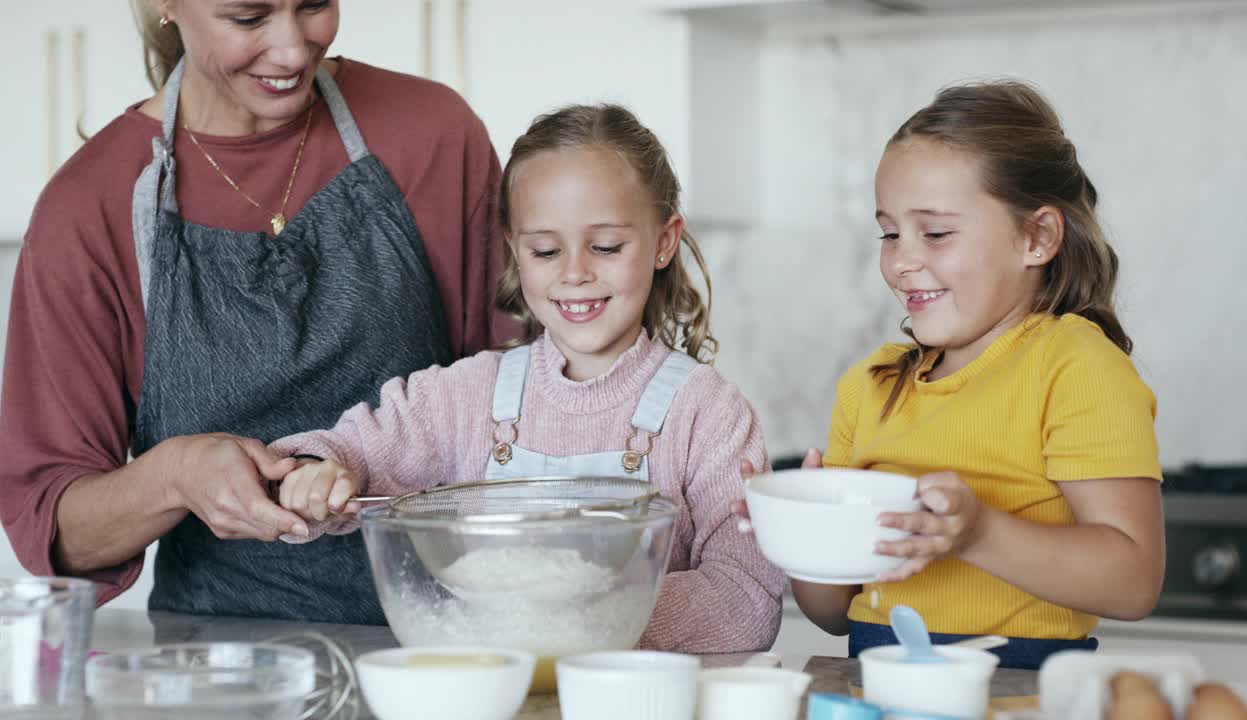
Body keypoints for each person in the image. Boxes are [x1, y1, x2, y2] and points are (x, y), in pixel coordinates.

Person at [0, 0, 507, 624]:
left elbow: (531, 400)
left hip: (457, 648)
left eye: (315, 5)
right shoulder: (88, 208)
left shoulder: (432, 133)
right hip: (217, 676)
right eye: (248, 18)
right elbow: (60, 535)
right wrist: (174, 476)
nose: (294, 49)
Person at [269, 103, 786, 653]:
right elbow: (356, 454)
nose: (574, 272)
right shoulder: (468, 396)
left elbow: (745, 596)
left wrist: (584, 621)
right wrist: (316, 471)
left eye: (607, 246)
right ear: (516, 251)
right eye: (545, 249)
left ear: (664, 242)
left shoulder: (707, 412)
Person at [737, 81, 1164, 669]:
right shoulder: (871, 385)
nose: (901, 260)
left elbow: (1134, 581)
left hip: (1018, 691)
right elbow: (834, 613)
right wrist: (797, 535)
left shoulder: (1075, 365)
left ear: (1036, 237)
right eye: (889, 233)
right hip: (874, 682)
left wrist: (978, 534)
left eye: (935, 233)